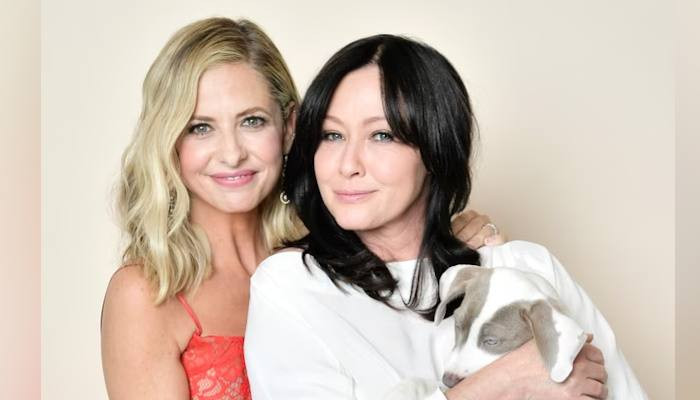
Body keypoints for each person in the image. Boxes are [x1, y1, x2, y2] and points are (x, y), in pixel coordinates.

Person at [100, 18, 502, 399]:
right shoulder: (147, 293)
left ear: (290, 126)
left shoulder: (335, 254)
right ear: (168, 140)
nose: (232, 153)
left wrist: (449, 246)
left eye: (252, 121)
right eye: (200, 127)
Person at [244, 34, 648, 399]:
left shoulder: (524, 266)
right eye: (331, 135)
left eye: (382, 135)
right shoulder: (292, 287)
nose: (347, 164)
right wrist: (498, 385)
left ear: (436, 149)